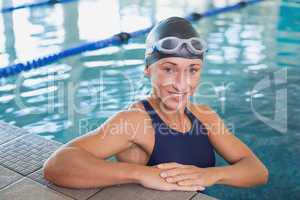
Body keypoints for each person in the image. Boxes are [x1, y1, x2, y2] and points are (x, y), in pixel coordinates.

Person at [43, 17, 268, 192]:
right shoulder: (135, 121)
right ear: (148, 70)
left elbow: (257, 171)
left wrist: (210, 175)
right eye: (169, 69)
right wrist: (140, 174)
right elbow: (57, 164)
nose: (182, 84)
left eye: (192, 70)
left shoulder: (205, 115)